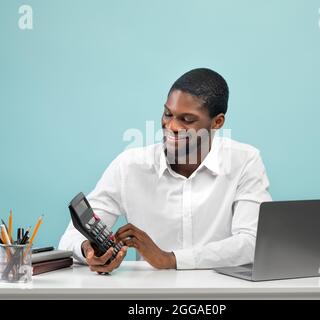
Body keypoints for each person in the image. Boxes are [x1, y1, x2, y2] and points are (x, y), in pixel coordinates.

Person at [58, 68, 272, 274]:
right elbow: (70, 239)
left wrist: (170, 259)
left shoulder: (245, 161)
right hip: (151, 297)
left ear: (217, 122)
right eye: (168, 114)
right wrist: (89, 250)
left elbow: (252, 243)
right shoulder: (129, 166)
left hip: (221, 293)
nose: (172, 126)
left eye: (187, 119)